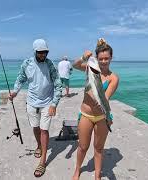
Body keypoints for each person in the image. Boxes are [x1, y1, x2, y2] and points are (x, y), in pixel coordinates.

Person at [9, 39, 62, 177]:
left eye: (45, 52)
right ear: (35, 52)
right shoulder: (27, 64)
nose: (43, 55)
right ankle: (39, 145)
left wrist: (54, 104)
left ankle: (42, 161)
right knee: (35, 127)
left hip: (47, 103)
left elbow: (58, 84)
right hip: (32, 102)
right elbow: (20, 78)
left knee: (44, 130)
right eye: (40, 52)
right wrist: (15, 92)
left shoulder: (51, 65)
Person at [72, 38, 119, 180]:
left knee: (98, 149)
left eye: (107, 58)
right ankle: (77, 170)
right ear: (96, 58)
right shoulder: (90, 68)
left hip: (102, 117)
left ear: (111, 58)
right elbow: (75, 65)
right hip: (86, 114)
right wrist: (83, 57)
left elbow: (105, 98)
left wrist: (108, 116)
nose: (104, 61)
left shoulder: (113, 78)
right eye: (101, 58)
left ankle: (97, 176)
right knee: (83, 147)